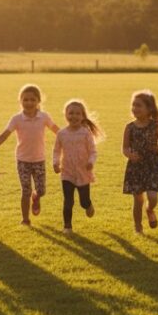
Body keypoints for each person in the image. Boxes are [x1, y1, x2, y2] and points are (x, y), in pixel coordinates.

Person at [0, 84, 59, 226]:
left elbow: (57, 131)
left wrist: (71, 139)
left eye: (32, 100)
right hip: (22, 160)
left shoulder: (44, 117)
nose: (29, 103)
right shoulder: (16, 119)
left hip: (39, 159)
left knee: (41, 190)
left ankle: (36, 198)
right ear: (20, 101)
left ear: (38, 101)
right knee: (25, 190)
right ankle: (25, 219)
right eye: (25, 100)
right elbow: (4, 135)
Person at [122, 91, 158, 234]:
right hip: (135, 167)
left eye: (139, 105)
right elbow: (124, 147)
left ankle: (150, 209)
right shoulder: (129, 127)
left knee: (152, 197)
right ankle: (138, 227)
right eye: (133, 105)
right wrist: (130, 155)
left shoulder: (156, 125)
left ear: (149, 108)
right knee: (138, 200)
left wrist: (156, 148)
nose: (135, 108)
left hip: (152, 165)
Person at [53, 100, 102, 234]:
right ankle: (67, 226)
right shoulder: (61, 133)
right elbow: (57, 150)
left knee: (83, 201)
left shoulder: (86, 133)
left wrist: (91, 162)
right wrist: (56, 163)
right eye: (71, 113)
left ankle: (88, 205)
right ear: (65, 115)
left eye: (77, 114)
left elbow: (93, 151)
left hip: (83, 172)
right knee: (68, 200)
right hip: (67, 172)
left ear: (82, 116)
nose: (74, 116)